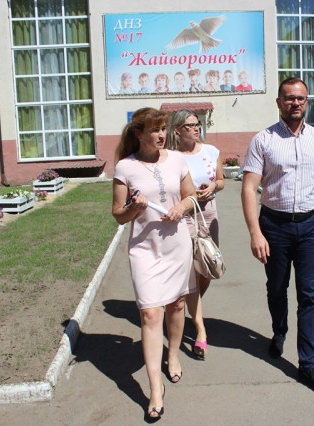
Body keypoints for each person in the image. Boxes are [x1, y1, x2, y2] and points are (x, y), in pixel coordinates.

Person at [241, 77, 314, 396]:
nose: (295, 103)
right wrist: (255, 232)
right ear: (279, 103)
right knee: (276, 288)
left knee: (310, 296)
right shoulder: (264, 140)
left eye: (301, 98)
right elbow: (249, 188)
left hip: (312, 226)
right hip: (274, 226)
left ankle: (308, 365)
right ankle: (279, 330)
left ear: (307, 102)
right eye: (289, 98)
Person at [112, 107, 198, 419]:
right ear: (138, 133)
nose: (162, 135)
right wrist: (134, 208)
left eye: (163, 129)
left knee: (177, 305)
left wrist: (182, 207)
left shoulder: (177, 160)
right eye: (154, 130)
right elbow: (118, 215)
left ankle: (172, 354)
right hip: (144, 249)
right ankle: (155, 389)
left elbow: (191, 196)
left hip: (176, 245)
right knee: (150, 313)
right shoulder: (125, 167)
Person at [166, 109, 224, 359]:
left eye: (197, 124)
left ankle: (191, 306)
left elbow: (221, 181)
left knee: (208, 267)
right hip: (186, 216)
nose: (195, 128)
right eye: (189, 125)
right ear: (178, 130)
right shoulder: (171, 157)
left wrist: (213, 186)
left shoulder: (211, 151)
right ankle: (200, 328)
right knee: (191, 270)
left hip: (208, 213)